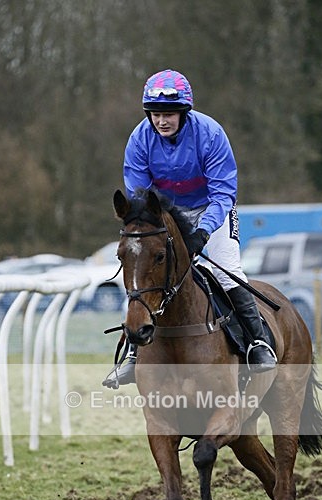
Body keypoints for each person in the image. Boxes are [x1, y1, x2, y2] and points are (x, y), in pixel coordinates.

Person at [111, 68, 277, 386]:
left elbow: (224, 193)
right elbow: (139, 195)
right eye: (156, 114)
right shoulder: (139, 139)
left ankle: (258, 344)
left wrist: (203, 230)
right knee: (143, 275)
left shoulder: (210, 134)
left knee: (228, 270)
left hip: (210, 209)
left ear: (184, 112)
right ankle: (133, 354)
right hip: (164, 215)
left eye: (169, 114)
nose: (162, 121)